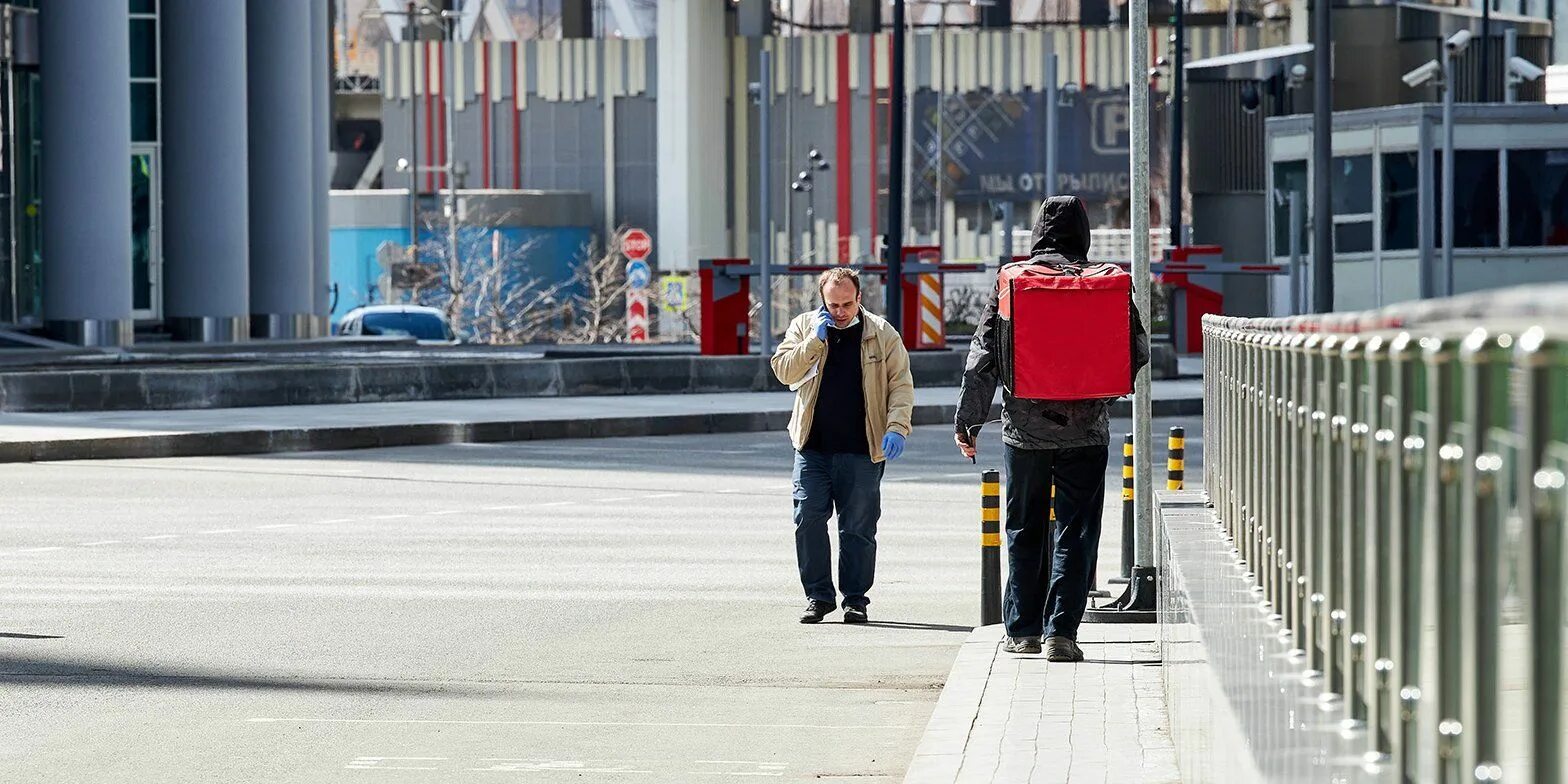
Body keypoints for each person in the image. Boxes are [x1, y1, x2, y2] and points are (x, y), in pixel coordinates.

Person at [954, 195, 1150, 661]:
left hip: (1024, 432)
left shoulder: (1012, 282)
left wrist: (969, 420)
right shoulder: (1107, 284)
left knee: (1024, 528)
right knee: (1076, 531)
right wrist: (1097, 391)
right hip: (1087, 431)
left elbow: (983, 358)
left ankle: (1022, 631)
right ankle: (1062, 633)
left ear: (1038, 232)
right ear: (1085, 233)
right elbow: (1138, 350)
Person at [771, 267, 915, 624]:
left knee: (858, 528)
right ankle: (818, 597)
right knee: (807, 519)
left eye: (847, 303)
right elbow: (783, 370)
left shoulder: (881, 334)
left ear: (859, 298)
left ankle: (855, 598)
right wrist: (813, 342)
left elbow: (901, 385)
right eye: (833, 304)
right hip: (812, 447)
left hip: (862, 450)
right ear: (822, 300)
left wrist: (897, 427)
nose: (840, 311)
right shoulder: (805, 327)